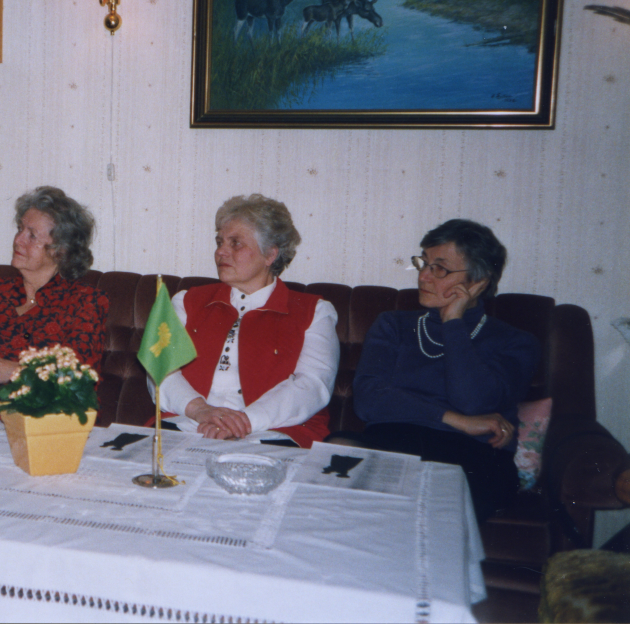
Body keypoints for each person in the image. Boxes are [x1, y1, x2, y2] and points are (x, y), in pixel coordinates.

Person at [332, 219, 539, 522]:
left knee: (422, 513)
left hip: (471, 458)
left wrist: (452, 321)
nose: (423, 276)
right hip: (393, 444)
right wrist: (458, 420)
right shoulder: (393, 325)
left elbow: (475, 402)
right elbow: (368, 399)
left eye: (439, 268)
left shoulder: (516, 342)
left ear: (478, 281)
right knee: (337, 455)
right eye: (424, 263)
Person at [150, 194, 338, 447]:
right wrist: (199, 410)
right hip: (189, 424)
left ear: (270, 255)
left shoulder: (315, 312)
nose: (220, 251)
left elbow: (313, 385)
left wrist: (245, 422)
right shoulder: (186, 301)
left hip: (273, 431)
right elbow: (159, 367)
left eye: (235, 243)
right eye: (219, 242)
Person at [0, 186, 109, 413]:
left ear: (61, 250)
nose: (17, 240)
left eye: (32, 235)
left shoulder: (84, 302)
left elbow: (80, 381)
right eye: (20, 229)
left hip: (28, 423)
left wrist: (13, 371)